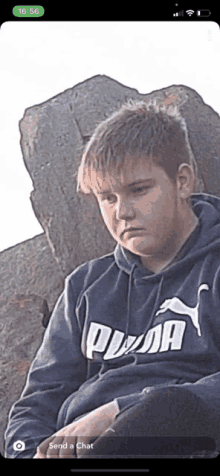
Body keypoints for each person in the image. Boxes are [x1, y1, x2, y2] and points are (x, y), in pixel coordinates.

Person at [4, 98, 220, 459]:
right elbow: (35, 407)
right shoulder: (84, 287)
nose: (123, 212)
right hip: (79, 450)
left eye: (139, 190)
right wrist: (27, 452)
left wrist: (124, 409)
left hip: (180, 435)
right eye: (107, 197)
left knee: (165, 412)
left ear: (182, 181)